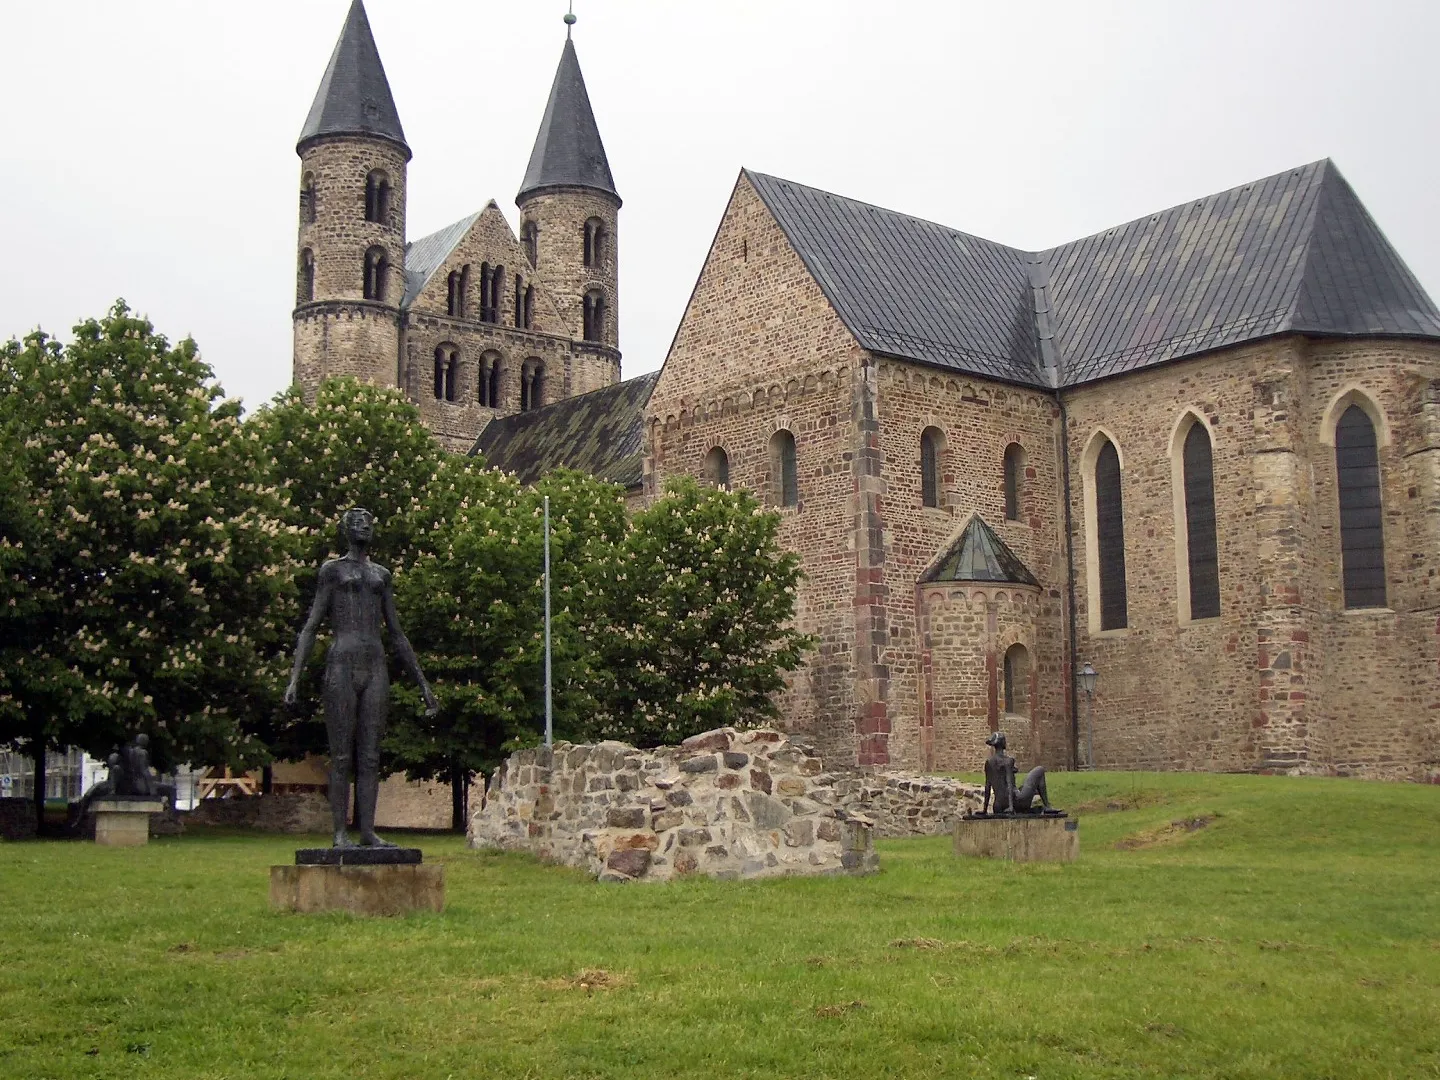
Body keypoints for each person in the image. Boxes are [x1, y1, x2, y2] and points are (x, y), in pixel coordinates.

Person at [285, 508, 437, 848]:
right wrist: (295, 677)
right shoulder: (332, 571)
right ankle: (340, 833)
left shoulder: (381, 575)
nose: (364, 527)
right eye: (356, 522)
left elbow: (397, 634)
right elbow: (311, 627)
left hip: (375, 665)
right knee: (341, 755)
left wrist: (422, 684)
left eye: (368, 522)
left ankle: (366, 830)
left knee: (370, 756)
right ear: (345, 530)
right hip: (342, 663)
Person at [980, 731, 1054, 815]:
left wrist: (984, 810)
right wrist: (1011, 807)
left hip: (998, 806)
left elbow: (987, 786)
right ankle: (1047, 806)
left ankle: (1039, 804)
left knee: (1023, 787)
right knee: (1039, 770)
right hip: (1016, 803)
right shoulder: (1007, 761)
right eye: (1004, 740)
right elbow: (1009, 783)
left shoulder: (989, 763)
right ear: (1002, 742)